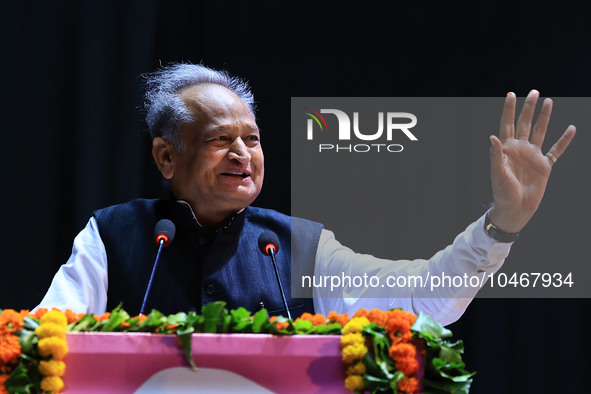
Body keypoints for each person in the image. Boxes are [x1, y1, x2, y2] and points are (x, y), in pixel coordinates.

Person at [36, 63, 576, 325]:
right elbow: (45, 334)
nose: (242, 154)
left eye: (252, 139)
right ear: (166, 157)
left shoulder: (299, 246)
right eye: (220, 140)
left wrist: (501, 224)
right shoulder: (114, 235)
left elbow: (424, 298)